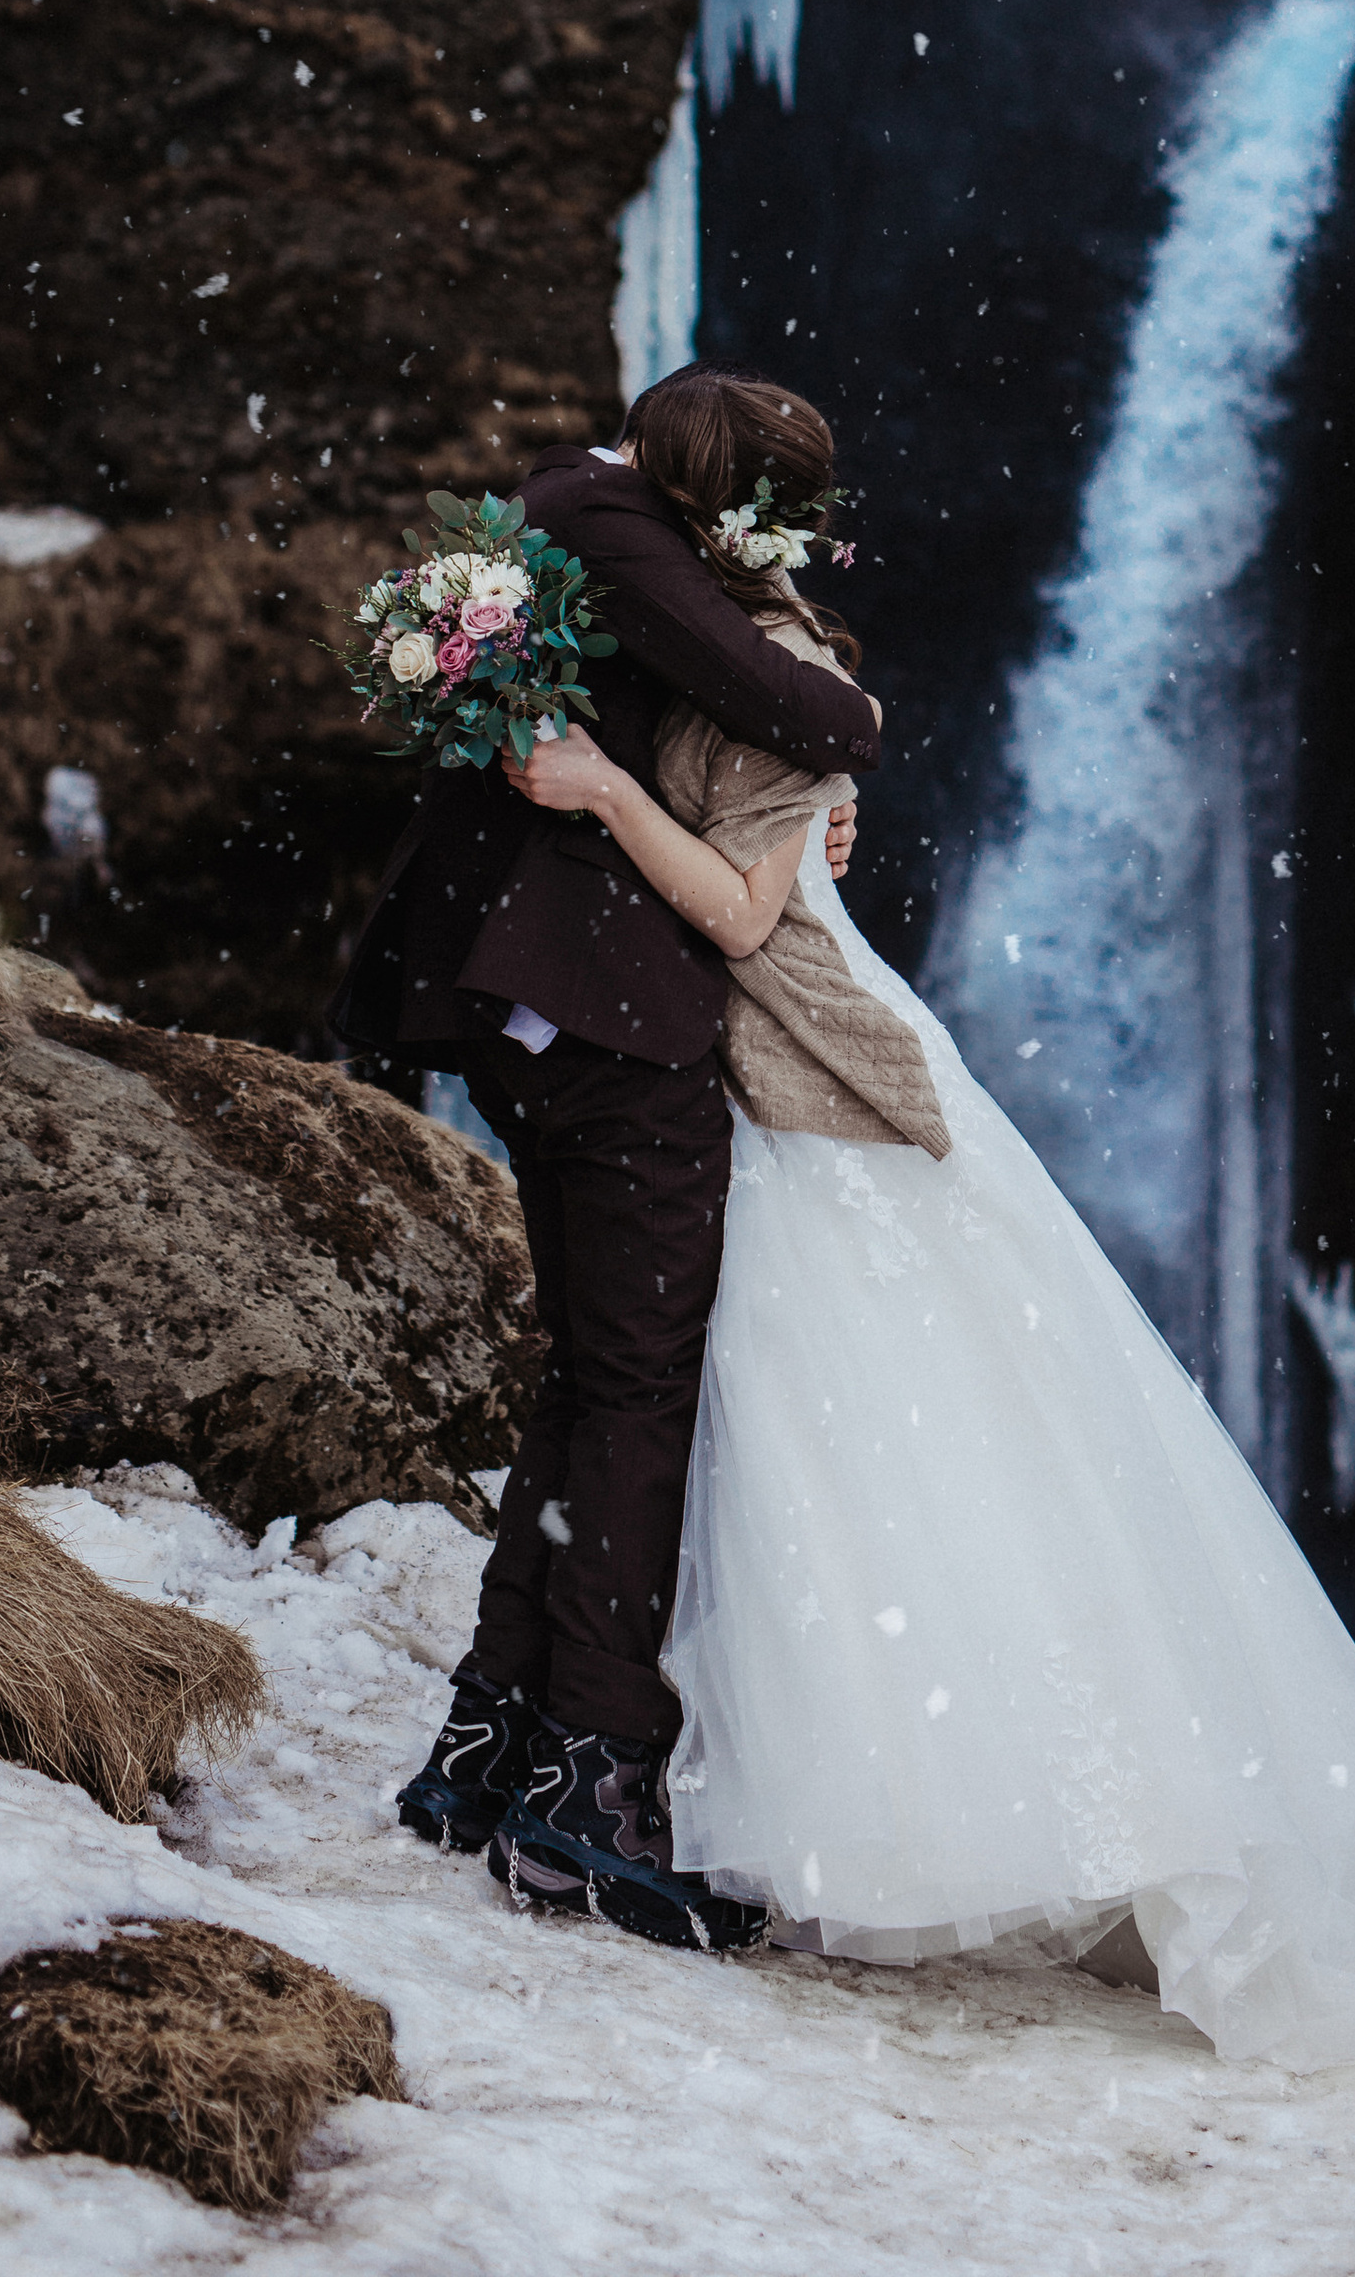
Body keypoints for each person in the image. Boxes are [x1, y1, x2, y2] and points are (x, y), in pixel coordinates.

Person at [443, 361, 1355, 2071]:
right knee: (704, 1407)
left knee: (797, 1424)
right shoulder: (713, 641)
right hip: (737, 1083)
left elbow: (748, 916)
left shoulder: (778, 670)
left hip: (811, 1080)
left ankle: (761, 1789)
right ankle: (585, 1757)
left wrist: (613, 795)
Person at [333, 368, 881, 1948]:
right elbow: (816, 711)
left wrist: (805, 806)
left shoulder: (565, 509)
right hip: (605, 1012)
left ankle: (491, 1745)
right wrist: (832, 758)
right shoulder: (613, 518)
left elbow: (747, 722)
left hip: (539, 999)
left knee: (589, 1377)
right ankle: (594, 1791)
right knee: (642, 1390)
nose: (759, 545)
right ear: (713, 485)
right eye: (764, 511)